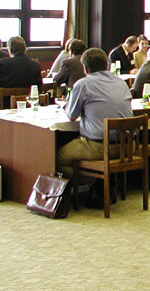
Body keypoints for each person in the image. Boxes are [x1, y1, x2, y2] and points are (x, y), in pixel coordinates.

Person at [55, 48, 133, 206]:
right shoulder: (121, 82)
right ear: (107, 65)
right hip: (127, 146)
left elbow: (71, 115)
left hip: (98, 147)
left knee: (57, 158)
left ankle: (96, 181)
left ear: (85, 68)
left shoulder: (83, 84)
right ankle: (102, 183)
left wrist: (65, 105)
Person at [0, 36, 42, 109]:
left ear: (9, 49)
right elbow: (39, 86)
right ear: (25, 49)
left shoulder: (2, 64)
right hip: (28, 105)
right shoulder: (35, 65)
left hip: (4, 107)